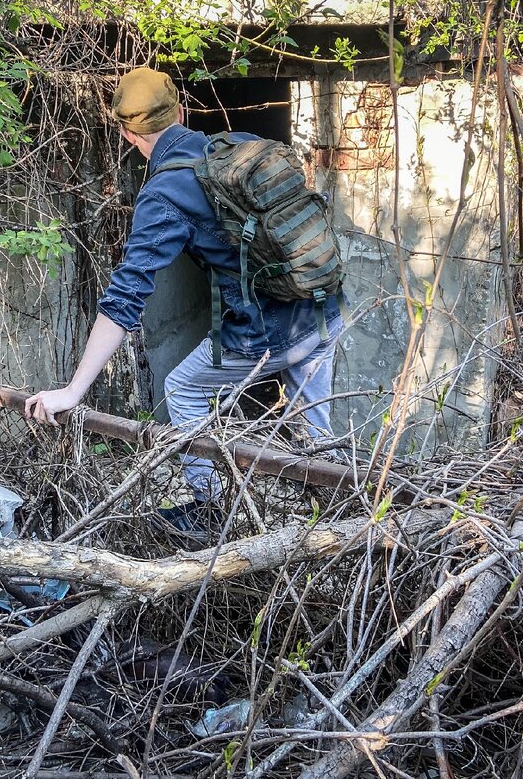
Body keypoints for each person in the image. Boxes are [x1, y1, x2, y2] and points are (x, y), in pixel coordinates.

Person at [24, 66, 343, 536]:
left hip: (269, 328)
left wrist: (73, 391)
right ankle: (342, 519)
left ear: (129, 133)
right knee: (317, 436)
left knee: (184, 389)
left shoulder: (164, 192)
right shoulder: (235, 144)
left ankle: (212, 513)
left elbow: (126, 295)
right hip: (323, 305)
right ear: (181, 110)